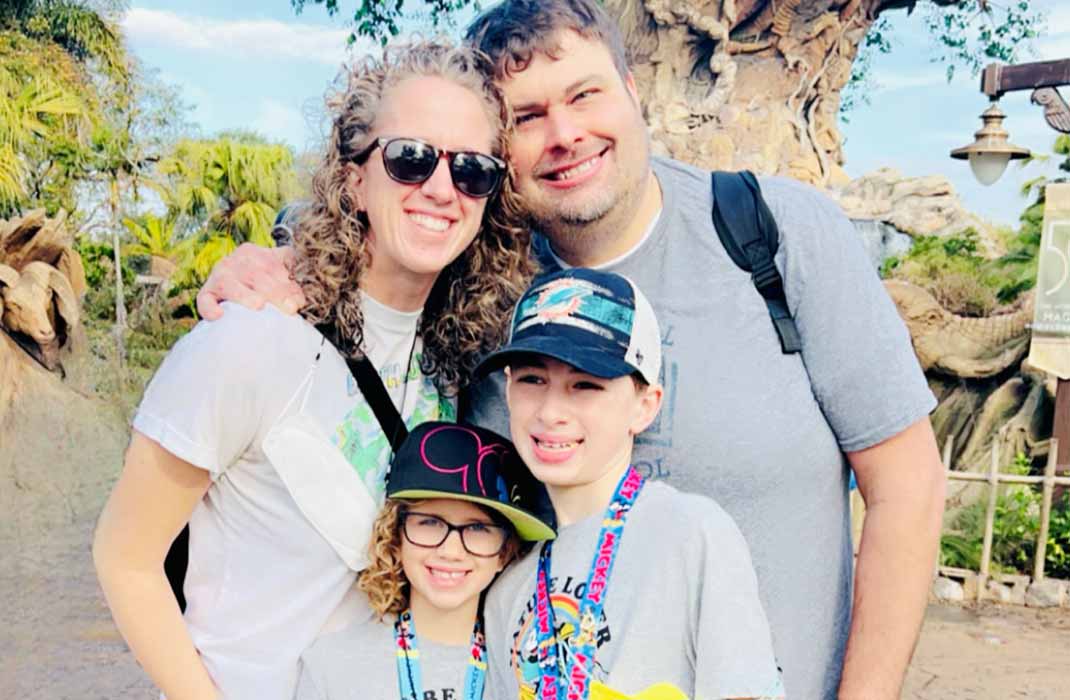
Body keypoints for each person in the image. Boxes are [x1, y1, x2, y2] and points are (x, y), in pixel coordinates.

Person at [193, 1, 947, 697]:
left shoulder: (774, 235)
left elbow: (906, 485)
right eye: (527, 116)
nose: (564, 135)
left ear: (630, 88)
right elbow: (374, 228)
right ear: (496, 153)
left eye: (584, 95)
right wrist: (272, 257)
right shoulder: (480, 281)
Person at [91, 38, 533, 700]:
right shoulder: (250, 340)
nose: (442, 189)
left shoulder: (459, 361)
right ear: (355, 178)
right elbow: (125, 559)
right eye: (410, 159)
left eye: (472, 169)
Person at [474, 267, 784, 699]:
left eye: (585, 385)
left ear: (645, 406)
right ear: (507, 390)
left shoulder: (691, 533)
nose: (550, 411)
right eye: (532, 379)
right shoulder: (508, 587)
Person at [295, 421, 557, 700]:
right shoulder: (333, 666)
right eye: (430, 522)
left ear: (505, 552)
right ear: (396, 535)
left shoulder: (530, 673)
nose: (451, 551)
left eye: (478, 528)